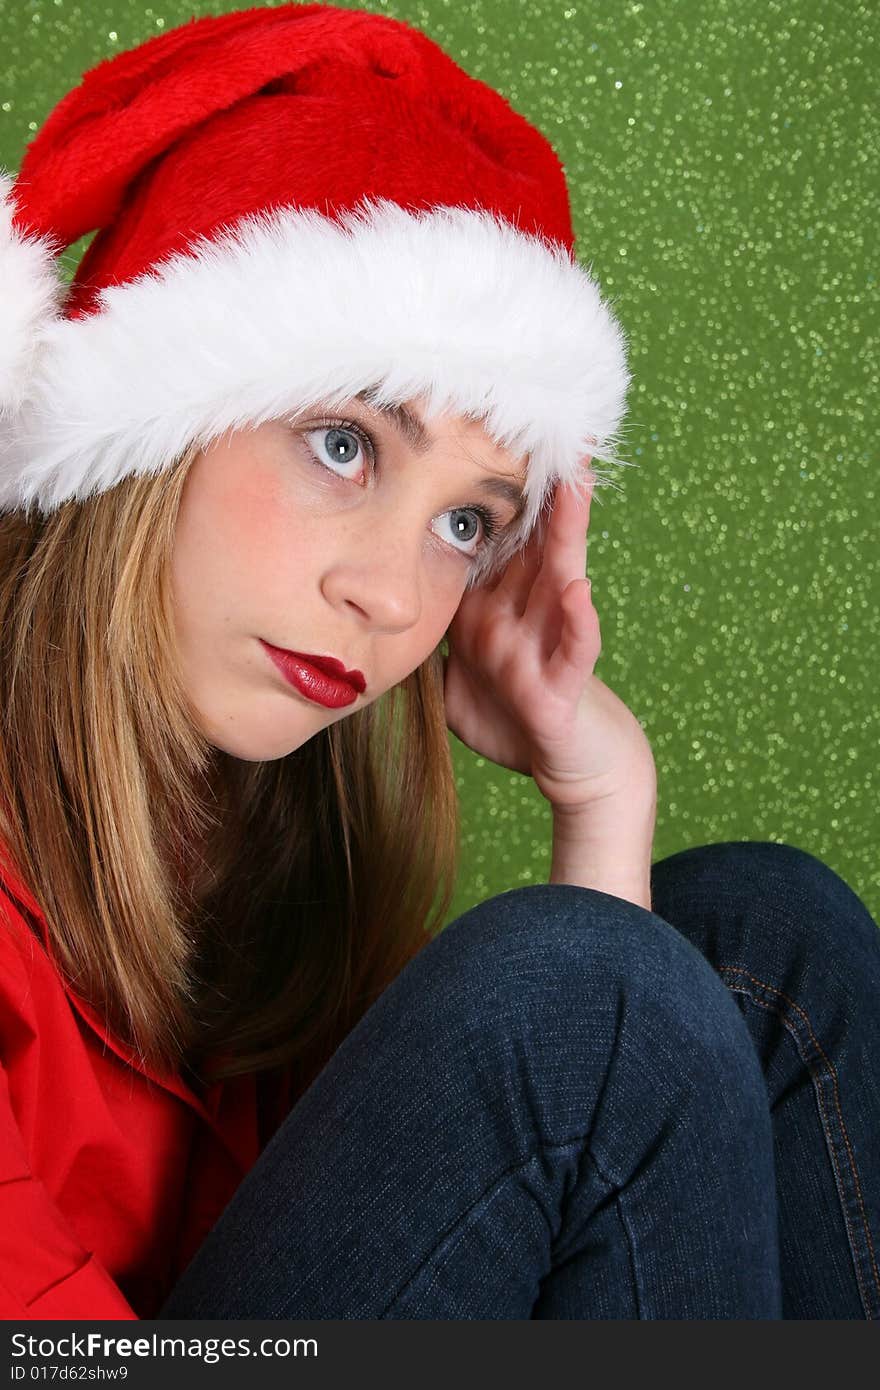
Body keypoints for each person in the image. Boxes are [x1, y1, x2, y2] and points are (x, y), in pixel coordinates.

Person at [0, 2, 877, 1322]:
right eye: (345, 443)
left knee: (769, 936)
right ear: (146, 432)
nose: (393, 595)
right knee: (597, 994)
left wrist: (600, 803)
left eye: (466, 523)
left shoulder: (287, 843)